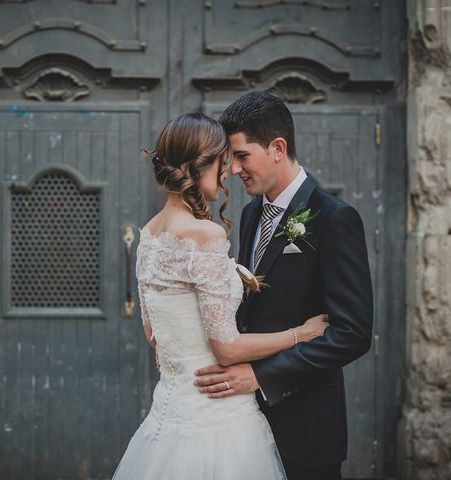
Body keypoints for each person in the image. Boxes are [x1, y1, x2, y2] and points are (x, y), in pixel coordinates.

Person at [112, 112, 329, 480]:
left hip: (171, 411)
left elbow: (154, 336)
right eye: (222, 163)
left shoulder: (148, 236)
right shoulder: (205, 235)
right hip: (217, 416)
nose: (228, 173)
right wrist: (301, 334)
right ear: (200, 165)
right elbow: (226, 349)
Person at [193, 91, 374, 480]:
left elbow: (352, 333)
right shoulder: (249, 213)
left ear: (278, 147)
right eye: (230, 159)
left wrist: (261, 378)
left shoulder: (334, 218)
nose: (234, 169)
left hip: (306, 426)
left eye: (241, 156)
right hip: (242, 424)